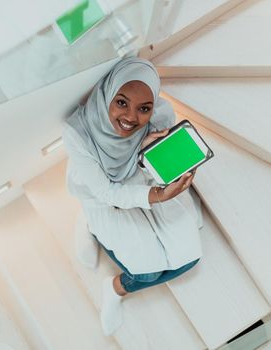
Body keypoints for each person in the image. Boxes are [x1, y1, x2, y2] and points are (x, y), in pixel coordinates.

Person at [62, 57, 203, 336]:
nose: (130, 118)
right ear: (108, 95)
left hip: (138, 182)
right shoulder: (78, 133)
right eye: (122, 102)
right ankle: (114, 287)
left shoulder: (160, 116)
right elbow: (105, 190)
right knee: (147, 272)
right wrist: (158, 196)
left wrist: (154, 156)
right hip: (100, 195)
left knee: (189, 258)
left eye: (144, 109)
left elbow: (145, 163)